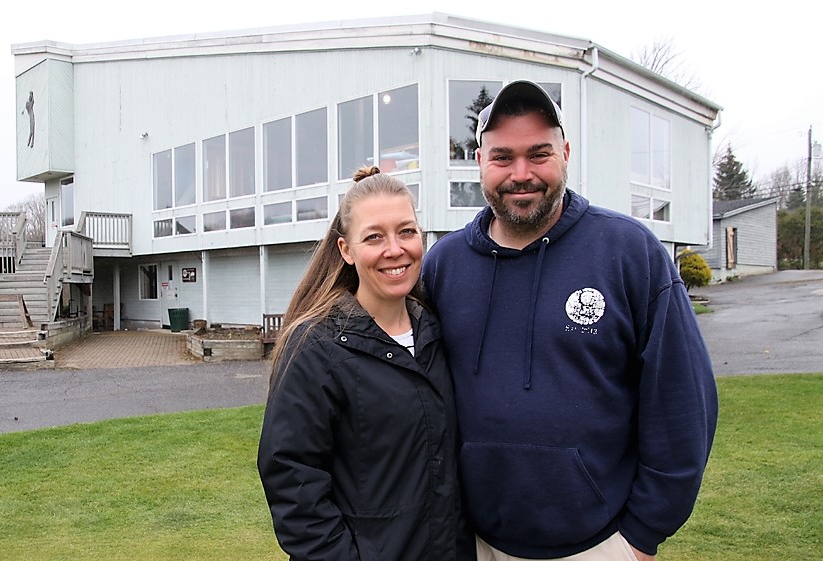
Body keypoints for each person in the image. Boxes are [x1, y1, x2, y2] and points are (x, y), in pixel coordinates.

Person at [420, 80, 718, 561]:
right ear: (479, 161)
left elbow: (683, 402)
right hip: (471, 542)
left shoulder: (629, 252)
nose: (521, 173)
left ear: (566, 152)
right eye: (503, 157)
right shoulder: (444, 265)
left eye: (539, 154)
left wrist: (642, 537)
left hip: (599, 546)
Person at [258, 166, 474, 561]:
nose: (395, 249)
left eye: (406, 231)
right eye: (374, 236)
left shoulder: (435, 333)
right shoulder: (316, 346)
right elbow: (293, 481)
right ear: (346, 249)